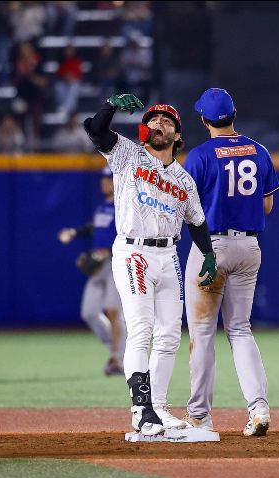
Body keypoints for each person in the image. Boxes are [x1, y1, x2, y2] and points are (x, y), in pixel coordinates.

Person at [83, 94, 218, 436]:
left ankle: (158, 407)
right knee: (141, 328)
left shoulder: (184, 180)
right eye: (154, 120)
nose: (159, 123)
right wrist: (111, 105)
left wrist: (209, 255)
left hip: (168, 255)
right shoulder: (128, 154)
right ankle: (141, 410)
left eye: (167, 121)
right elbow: (96, 131)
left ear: (177, 135)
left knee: (170, 335)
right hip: (133, 251)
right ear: (145, 129)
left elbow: (197, 222)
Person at [181, 88, 279, 437]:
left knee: (203, 333)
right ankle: (258, 407)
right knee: (240, 330)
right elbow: (267, 206)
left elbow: (186, 209)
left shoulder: (199, 156)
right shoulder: (260, 150)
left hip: (212, 248)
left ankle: (199, 416)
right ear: (234, 113)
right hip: (249, 247)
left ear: (204, 119)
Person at [58, 167, 126, 376]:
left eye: (109, 179)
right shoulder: (103, 206)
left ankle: (121, 360)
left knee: (114, 311)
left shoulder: (125, 205)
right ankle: (116, 351)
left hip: (117, 263)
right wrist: (75, 232)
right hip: (99, 266)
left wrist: (108, 251)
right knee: (89, 312)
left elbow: (129, 234)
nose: (104, 182)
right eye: (104, 179)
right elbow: (94, 227)